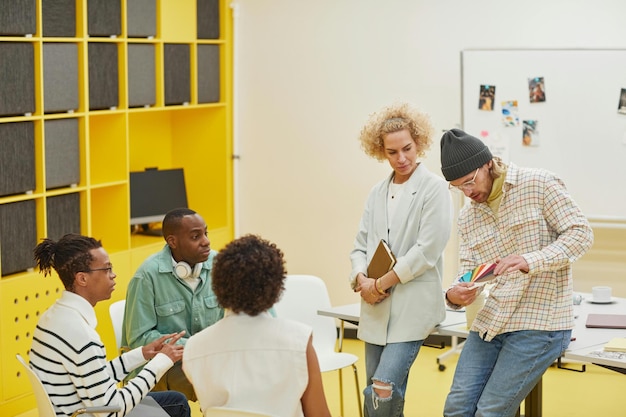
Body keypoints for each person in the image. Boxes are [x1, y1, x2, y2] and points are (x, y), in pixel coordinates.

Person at [440, 129, 594, 417]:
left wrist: (530, 260)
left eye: (470, 182)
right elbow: (468, 271)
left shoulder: (538, 183)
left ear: (488, 163)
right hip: (493, 320)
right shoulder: (468, 216)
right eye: (458, 187)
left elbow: (580, 234)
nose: (468, 192)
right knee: (456, 409)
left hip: (540, 320)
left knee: (490, 412)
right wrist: (454, 293)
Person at [349, 103, 452, 417]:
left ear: (418, 143)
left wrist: (380, 283)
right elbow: (360, 246)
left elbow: (426, 250)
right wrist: (360, 279)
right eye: (392, 152)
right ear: (382, 152)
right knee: (376, 392)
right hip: (375, 308)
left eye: (407, 149)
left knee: (383, 386)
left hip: (413, 307)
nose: (402, 158)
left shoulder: (434, 189)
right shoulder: (377, 192)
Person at [30, 233, 190, 417]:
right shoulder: (82, 336)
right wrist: (162, 362)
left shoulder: (52, 317)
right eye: (106, 269)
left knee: (175, 401)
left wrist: (143, 354)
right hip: (90, 412)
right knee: (178, 405)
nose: (113, 275)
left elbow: (96, 377)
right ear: (82, 279)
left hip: (79, 408)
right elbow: (112, 411)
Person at [182, 234, 332, 417]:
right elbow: (319, 414)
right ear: (276, 286)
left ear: (219, 285)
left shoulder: (194, 347)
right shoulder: (299, 340)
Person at [122, 208, 223, 401]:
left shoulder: (219, 265)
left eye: (205, 233)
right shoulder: (146, 277)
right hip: (165, 367)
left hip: (206, 359)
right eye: (195, 236)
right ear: (172, 241)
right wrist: (196, 347)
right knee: (225, 384)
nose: (206, 241)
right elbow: (139, 339)